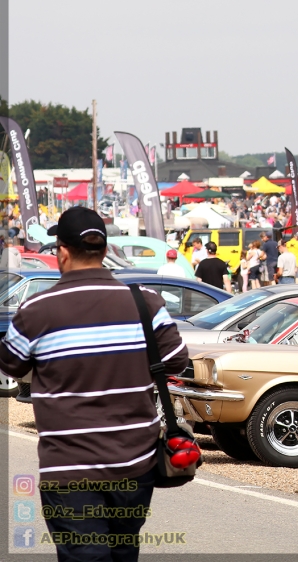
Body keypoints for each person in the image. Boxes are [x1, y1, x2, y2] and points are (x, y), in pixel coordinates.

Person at [0, 207, 188, 562]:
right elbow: (177, 360)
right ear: (103, 252)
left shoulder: (37, 310)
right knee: (123, 553)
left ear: (62, 252)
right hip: (134, 466)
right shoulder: (144, 302)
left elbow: (10, 363)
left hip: (70, 469)